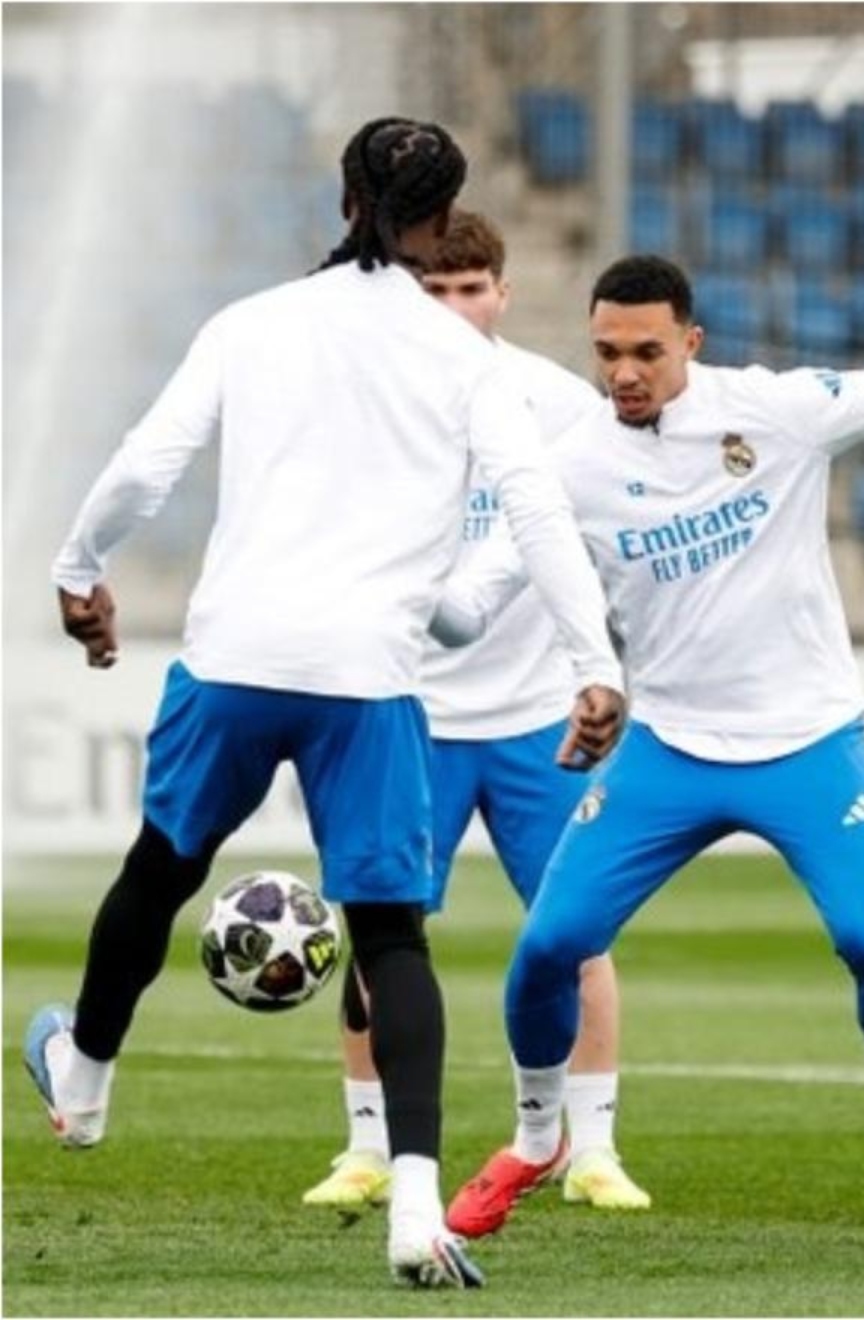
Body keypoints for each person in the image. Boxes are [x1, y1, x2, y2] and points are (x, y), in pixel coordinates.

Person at [22, 118, 626, 1290]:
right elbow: (540, 512)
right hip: (369, 677)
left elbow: (151, 461)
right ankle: (415, 1207)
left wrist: (76, 567)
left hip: (237, 654)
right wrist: (593, 661)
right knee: (391, 935)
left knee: (160, 866)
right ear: (444, 220)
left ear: (344, 192)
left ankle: (86, 1083)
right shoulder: (465, 361)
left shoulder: (253, 323)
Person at [427, 255, 864, 1250]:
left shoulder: (774, 411)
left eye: (645, 351)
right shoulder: (569, 467)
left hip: (808, 740)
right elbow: (473, 602)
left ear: (692, 342)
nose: (624, 373)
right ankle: (537, 1137)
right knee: (549, 947)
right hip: (669, 749)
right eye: (605, 354)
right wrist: (399, 592)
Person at [300, 210, 649, 1216]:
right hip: (407, 716)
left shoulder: (556, 406)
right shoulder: (367, 408)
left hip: (540, 716)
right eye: (434, 290)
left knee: (577, 930)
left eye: (471, 289)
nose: (454, 307)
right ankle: (367, 1147)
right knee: (380, 930)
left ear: (502, 292)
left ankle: (593, 1147)